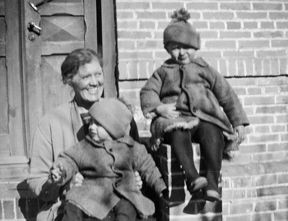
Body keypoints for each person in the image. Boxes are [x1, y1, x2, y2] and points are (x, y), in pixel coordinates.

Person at [140, 8, 249, 205]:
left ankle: (213, 184)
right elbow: (148, 92)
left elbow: (226, 94)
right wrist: (158, 108)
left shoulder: (205, 69)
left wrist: (238, 121)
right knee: (178, 132)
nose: (181, 52)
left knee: (213, 133)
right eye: (175, 47)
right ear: (167, 49)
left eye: (186, 47)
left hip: (205, 118)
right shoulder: (163, 71)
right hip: (176, 119)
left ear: (195, 46)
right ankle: (193, 178)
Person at [27, 48, 142, 221]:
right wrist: (62, 186)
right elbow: (36, 181)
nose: (95, 82)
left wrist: (135, 179)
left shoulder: (121, 116)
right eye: (86, 77)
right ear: (69, 80)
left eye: (98, 74)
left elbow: (135, 162)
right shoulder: (49, 123)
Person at [50, 98, 167, 221]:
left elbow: (148, 166)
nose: (91, 127)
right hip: (91, 191)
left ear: (112, 128)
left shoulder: (131, 148)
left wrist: (159, 185)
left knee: (128, 209)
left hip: (124, 192)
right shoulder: (85, 146)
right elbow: (69, 158)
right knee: (73, 204)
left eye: (97, 124)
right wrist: (61, 169)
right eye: (91, 122)